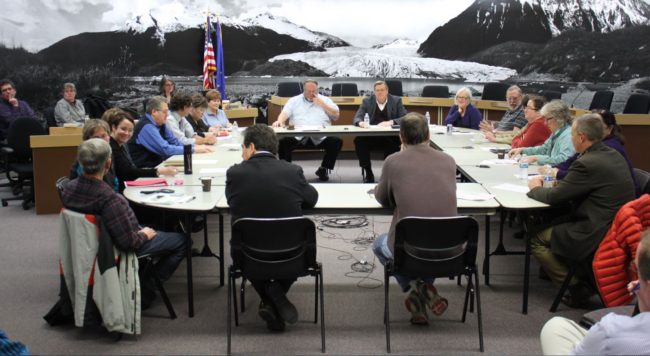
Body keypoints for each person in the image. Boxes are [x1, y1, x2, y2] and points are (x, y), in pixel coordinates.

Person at [62, 138, 186, 308]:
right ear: (108, 164)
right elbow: (129, 243)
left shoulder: (67, 189)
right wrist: (144, 234)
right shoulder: (110, 199)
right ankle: (145, 287)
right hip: (113, 250)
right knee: (183, 241)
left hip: (86, 247)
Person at [527, 114, 635, 307]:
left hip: (595, 229)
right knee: (550, 221)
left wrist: (535, 187)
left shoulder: (587, 162)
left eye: (573, 134)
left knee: (537, 240)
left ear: (582, 137)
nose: (571, 139)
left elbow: (554, 197)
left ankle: (577, 289)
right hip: (614, 224)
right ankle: (578, 278)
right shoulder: (610, 154)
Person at [225, 124, 318, 332]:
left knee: (252, 251)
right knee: (294, 245)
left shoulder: (235, 173)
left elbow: (231, 201)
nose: (242, 153)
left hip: (247, 255)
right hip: (294, 254)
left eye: (242, 148)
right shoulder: (292, 171)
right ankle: (275, 294)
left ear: (250, 147)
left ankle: (268, 298)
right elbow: (311, 199)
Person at [372, 112, 457, 325]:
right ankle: (422, 297)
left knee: (378, 244)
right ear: (429, 135)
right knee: (426, 244)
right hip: (449, 250)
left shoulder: (393, 161)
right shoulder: (448, 160)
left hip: (409, 249)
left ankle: (414, 288)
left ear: (400, 137)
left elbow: (383, 199)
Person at [539, 229, 650, 355]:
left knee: (554, 327)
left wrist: (643, 303)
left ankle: (576, 287)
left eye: (636, 268)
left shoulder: (612, 330)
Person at [544, 110, 640, 197]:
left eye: (598, 126)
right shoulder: (593, 145)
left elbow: (580, 174)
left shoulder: (609, 148)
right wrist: (554, 169)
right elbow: (572, 161)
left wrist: (557, 173)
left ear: (609, 129)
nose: (593, 129)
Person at [272, 79, 342, 181]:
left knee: (336, 141)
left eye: (314, 91)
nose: (311, 93)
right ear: (303, 90)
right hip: (298, 136)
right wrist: (279, 121)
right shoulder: (294, 100)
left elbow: (336, 116)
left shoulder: (325, 100)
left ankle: (323, 169)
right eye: (308, 91)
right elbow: (284, 114)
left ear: (317, 90)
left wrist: (322, 104)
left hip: (321, 137)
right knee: (282, 142)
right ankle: (287, 171)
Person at [127, 96, 213, 168]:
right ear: (154, 112)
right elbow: (165, 149)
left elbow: (174, 141)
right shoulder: (147, 127)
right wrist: (192, 149)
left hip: (159, 166)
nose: (168, 115)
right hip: (145, 171)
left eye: (167, 111)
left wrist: (195, 147)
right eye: (165, 112)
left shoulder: (161, 123)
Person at [106, 109, 176, 192]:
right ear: (113, 127)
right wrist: (158, 171)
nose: (127, 133)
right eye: (123, 129)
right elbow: (128, 173)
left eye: (130, 130)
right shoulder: (112, 147)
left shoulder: (122, 145)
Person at [352, 80, 407, 183]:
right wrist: (361, 123)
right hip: (371, 135)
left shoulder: (396, 100)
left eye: (382, 90)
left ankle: (388, 173)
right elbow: (357, 118)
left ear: (387, 90)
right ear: (374, 91)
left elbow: (405, 117)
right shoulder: (367, 101)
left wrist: (391, 122)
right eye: (377, 90)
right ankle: (368, 170)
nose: (379, 92)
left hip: (389, 136)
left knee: (394, 144)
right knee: (359, 141)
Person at [509, 100, 575, 166]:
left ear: (559, 118)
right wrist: (522, 150)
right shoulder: (557, 131)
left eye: (548, 119)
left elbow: (564, 160)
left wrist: (536, 158)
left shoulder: (568, 135)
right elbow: (543, 149)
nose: (545, 123)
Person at [69, 119, 118, 192]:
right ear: (87, 141)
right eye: (96, 138)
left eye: (104, 136)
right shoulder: (86, 159)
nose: (101, 140)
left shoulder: (108, 152)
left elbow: (112, 180)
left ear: (109, 136)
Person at [485, 95, 550, 148]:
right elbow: (516, 135)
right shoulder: (532, 123)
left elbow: (520, 146)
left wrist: (495, 139)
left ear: (539, 112)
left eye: (528, 108)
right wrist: (495, 137)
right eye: (525, 107)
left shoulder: (539, 125)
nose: (525, 110)